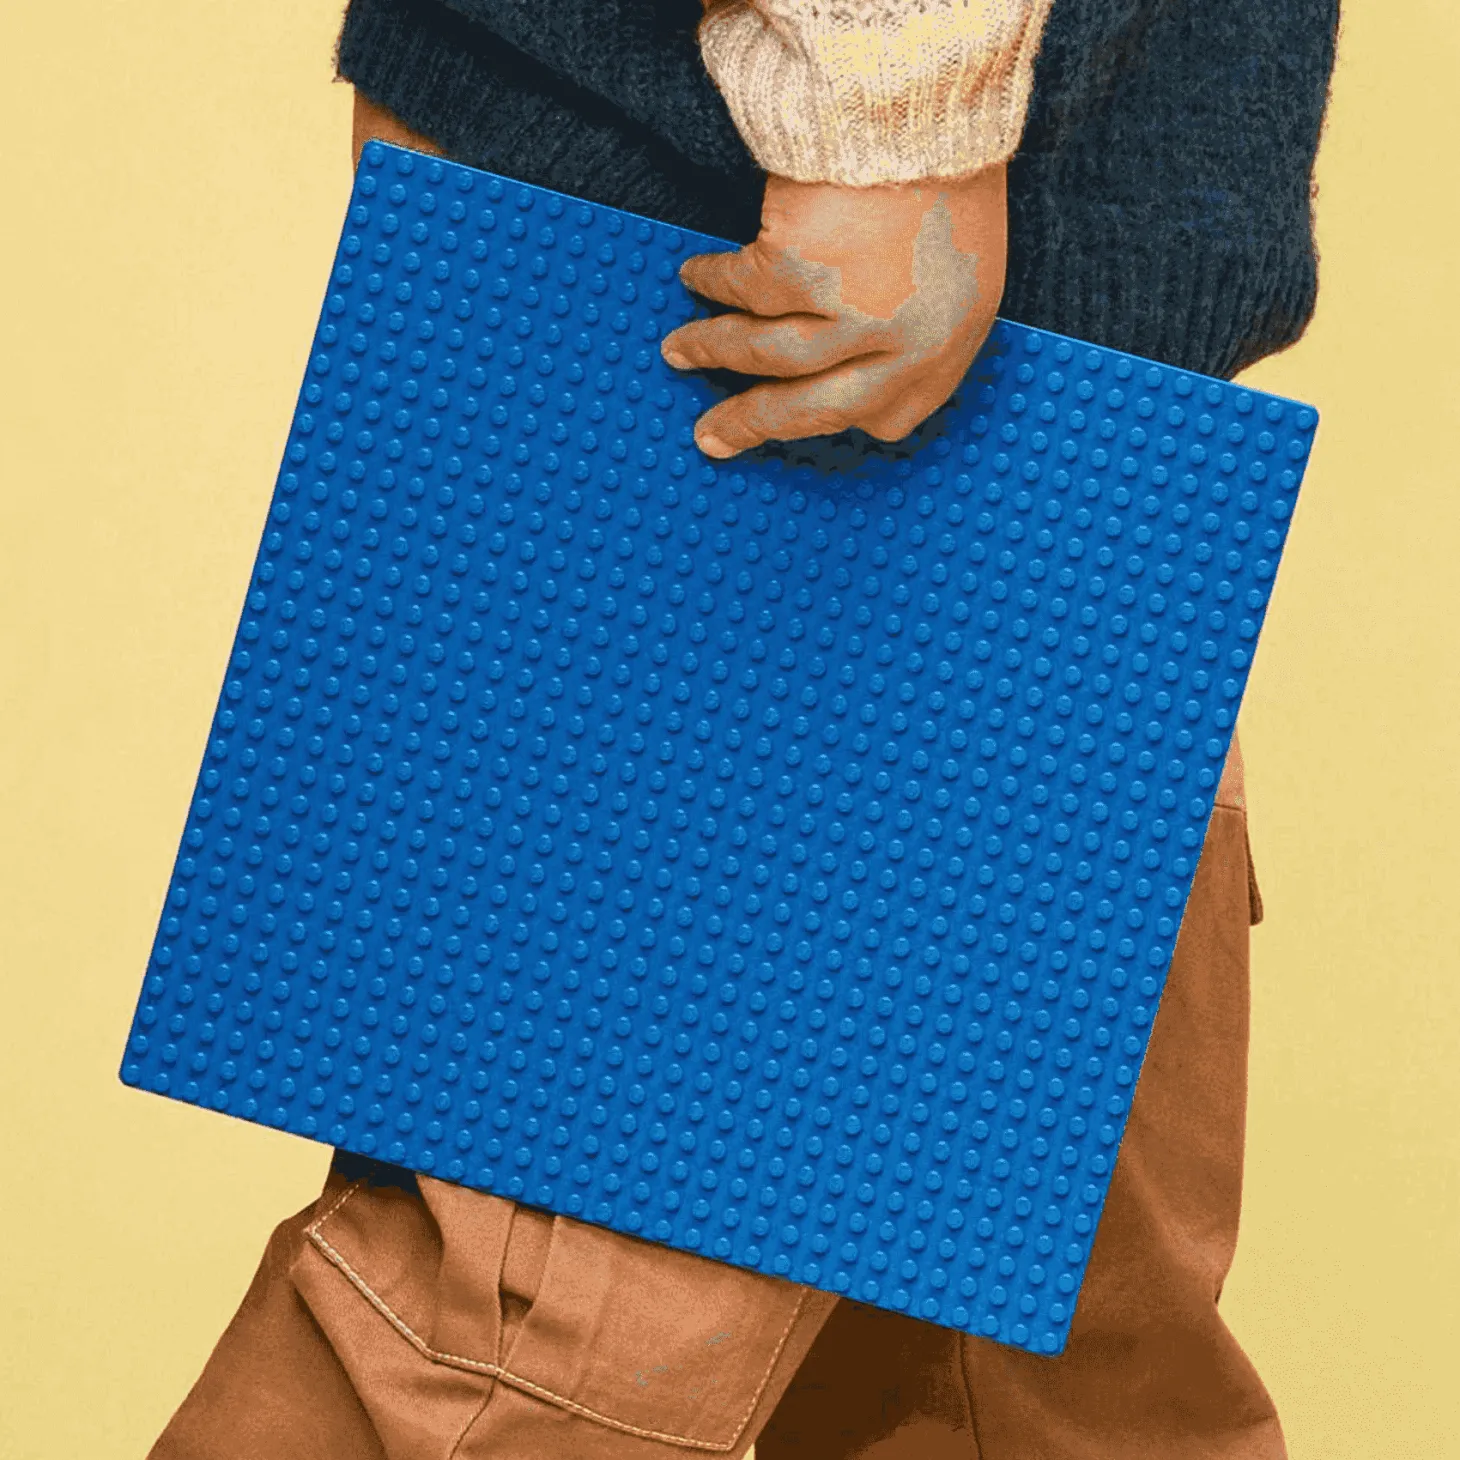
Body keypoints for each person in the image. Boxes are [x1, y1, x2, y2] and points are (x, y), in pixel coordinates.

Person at [149, 1, 1338, 1455]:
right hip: (794, 263)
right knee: (536, 1346)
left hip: (1051, 392)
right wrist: (888, 110)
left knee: (1064, 1388)